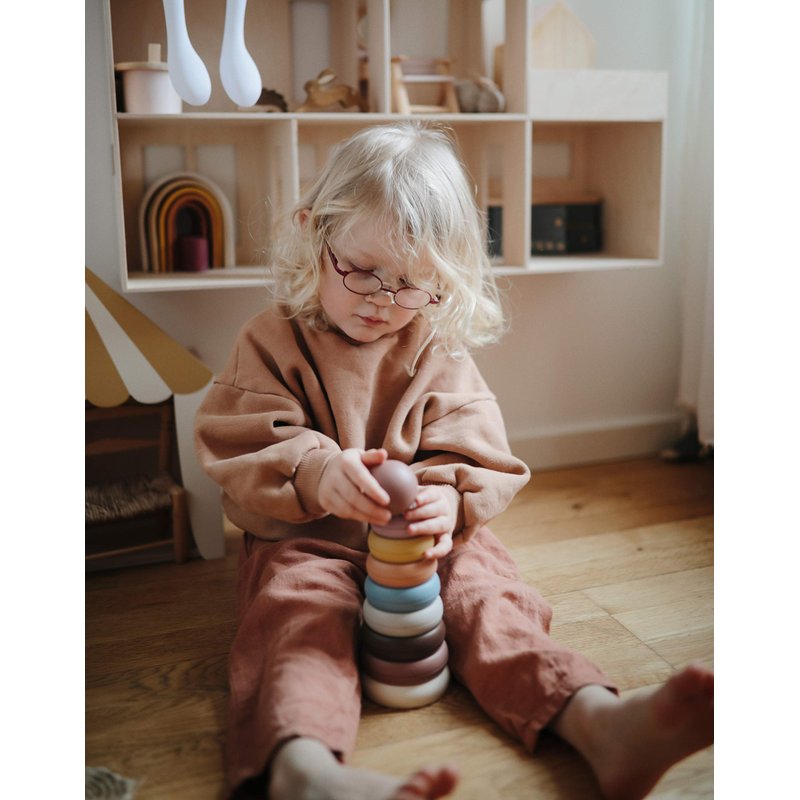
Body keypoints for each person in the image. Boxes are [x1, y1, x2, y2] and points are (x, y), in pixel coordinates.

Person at [194, 122, 713, 800]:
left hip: (427, 544)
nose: (384, 301)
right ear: (313, 233)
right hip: (307, 541)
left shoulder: (434, 348)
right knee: (297, 622)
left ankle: (599, 722)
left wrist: (448, 497)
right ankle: (304, 768)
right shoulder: (270, 341)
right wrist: (319, 473)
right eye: (362, 271)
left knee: (489, 598)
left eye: (413, 283)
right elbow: (238, 440)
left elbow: (478, 449)